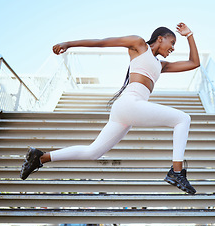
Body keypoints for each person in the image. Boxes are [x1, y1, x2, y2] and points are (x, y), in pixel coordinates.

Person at [20, 22, 200, 194]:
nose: (173, 48)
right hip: (129, 104)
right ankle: (176, 172)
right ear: (160, 38)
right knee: (183, 119)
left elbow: (194, 62)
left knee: (93, 152)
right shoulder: (139, 45)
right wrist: (68, 44)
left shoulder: (161, 65)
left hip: (126, 112)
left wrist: (189, 35)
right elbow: (102, 42)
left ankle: (40, 157)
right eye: (173, 42)